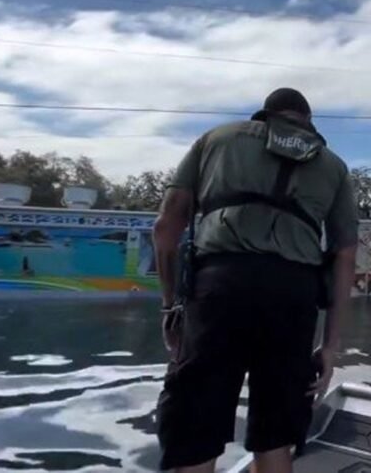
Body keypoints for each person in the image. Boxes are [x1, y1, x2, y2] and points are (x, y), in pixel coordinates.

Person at [152, 88, 358, 473]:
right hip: (294, 297)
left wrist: (170, 305)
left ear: (263, 115)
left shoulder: (216, 139)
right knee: (276, 435)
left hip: (219, 289)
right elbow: (345, 255)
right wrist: (330, 346)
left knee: (194, 430)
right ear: (308, 121)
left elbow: (166, 228)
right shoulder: (333, 165)